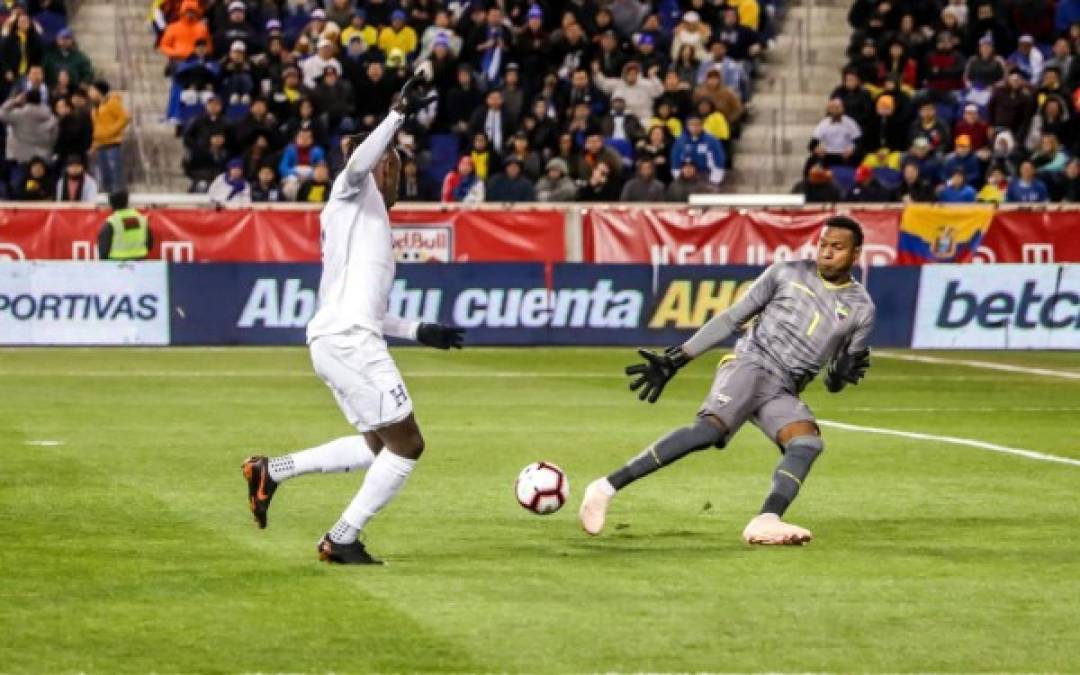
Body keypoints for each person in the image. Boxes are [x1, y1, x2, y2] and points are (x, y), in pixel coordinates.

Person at [241, 77, 466, 565]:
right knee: (407, 445)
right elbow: (361, 159)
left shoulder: (372, 224)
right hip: (348, 341)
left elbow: (374, 310)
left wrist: (419, 331)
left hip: (338, 336)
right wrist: (397, 115)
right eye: (392, 164)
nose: (397, 174)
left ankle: (271, 471)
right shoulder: (349, 192)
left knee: (375, 445)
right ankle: (342, 537)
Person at [578, 216, 875, 546]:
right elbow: (733, 318)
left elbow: (834, 383)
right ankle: (605, 487)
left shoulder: (861, 309)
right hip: (751, 364)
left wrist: (838, 376)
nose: (827, 253)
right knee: (708, 431)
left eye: (837, 247)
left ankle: (766, 520)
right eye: (823, 244)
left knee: (807, 443)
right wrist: (679, 357)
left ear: (856, 253)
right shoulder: (786, 273)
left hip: (784, 388)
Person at [88, 80, 131, 194]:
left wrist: (111, 130)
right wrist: (94, 144)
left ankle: (118, 197)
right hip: (101, 144)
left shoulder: (112, 102)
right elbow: (97, 128)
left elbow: (125, 117)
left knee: (115, 174)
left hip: (112, 143)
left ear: (99, 91)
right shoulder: (95, 108)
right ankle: (108, 196)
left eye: (92, 90)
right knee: (104, 175)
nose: (90, 93)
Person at [96, 191, 152, 260]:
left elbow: (103, 251)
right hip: (140, 263)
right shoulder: (141, 219)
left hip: (117, 265)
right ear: (127, 201)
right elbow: (149, 244)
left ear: (111, 204)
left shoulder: (111, 223)